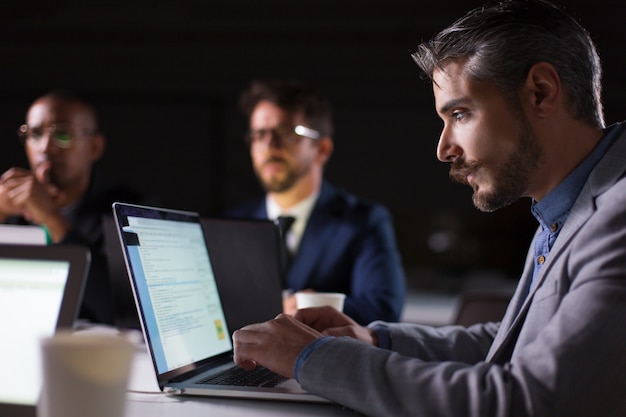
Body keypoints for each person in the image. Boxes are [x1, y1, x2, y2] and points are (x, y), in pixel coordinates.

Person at [231, 1, 626, 416]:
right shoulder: (566, 209)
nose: (443, 149)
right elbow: (508, 341)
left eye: (460, 113)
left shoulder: (617, 215)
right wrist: (374, 340)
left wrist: (311, 358)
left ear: (540, 93)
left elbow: (529, 400)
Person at [224, 79, 406, 324]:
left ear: (322, 149)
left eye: (286, 134)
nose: (268, 146)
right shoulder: (232, 223)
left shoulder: (364, 220)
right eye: (259, 135)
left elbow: (384, 311)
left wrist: (309, 305)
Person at [0, 90, 149, 326]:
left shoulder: (128, 209)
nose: (46, 147)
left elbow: (121, 310)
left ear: (94, 147)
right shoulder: (11, 206)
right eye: (35, 134)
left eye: (63, 134)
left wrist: (51, 217)